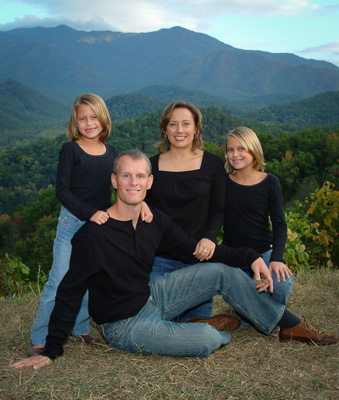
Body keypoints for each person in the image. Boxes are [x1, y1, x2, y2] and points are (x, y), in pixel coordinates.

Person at [11, 151, 337, 370]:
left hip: (153, 296)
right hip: (124, 325)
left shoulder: (156, 221)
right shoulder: (94, 234)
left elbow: (197, 249)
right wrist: (52, 349)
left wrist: (251, 257)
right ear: (115, 181)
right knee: (208, 341)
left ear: (149, 182)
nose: (133, 183)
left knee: (220, 271)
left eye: (140, 176)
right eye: (126, 176)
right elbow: (69, 292)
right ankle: (196, 328)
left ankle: (283, 324)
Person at [29, 94, 151, 357]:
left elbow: (125, 186)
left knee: (90, 276)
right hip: (73, 221)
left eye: (94, 117)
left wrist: (142, 204)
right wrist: (89, 213)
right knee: (60, 278)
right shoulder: (70, 150)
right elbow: (62, 190)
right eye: (82, 118)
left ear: (103, 119)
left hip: (100, 223)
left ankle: (79, 327)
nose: (89, 123)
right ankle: (41, 336)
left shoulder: (112, 152)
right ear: (75, 122)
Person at [146, 100, 226, 322]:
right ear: (164, 129)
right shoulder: (150, 166)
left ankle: (198, 325)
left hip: (198, 255)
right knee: (152, 314)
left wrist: (209, 238)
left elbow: (218, 208)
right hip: (160, 257)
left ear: (196, 128)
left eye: (185, 124)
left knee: (197, 320)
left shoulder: (212, 164)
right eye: (173, 124)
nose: (179, 130)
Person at [223, 127, 304, 336]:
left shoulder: (270, 182)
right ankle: (264, 317)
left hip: (264, 251)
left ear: (253, 149)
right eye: (230, 150)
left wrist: (276, 258)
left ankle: (251, 315)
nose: (235, 154)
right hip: (234, 255)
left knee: (282, 284)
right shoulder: (222, 183)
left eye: (241, 148)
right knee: (239, 287)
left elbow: (279, 224)